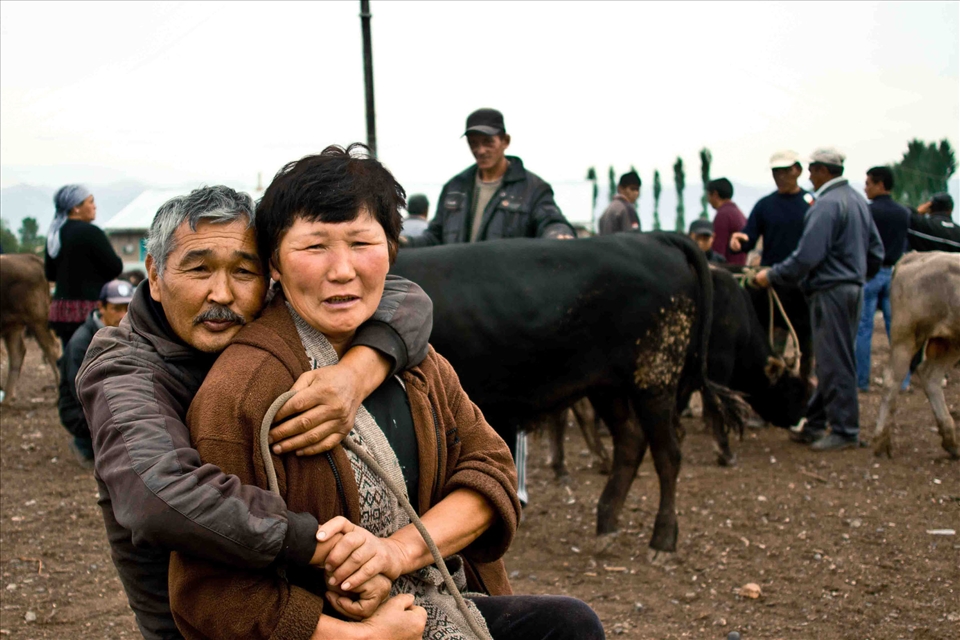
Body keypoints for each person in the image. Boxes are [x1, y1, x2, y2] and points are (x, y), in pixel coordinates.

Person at [169, 144, 605, 640]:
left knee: (571, 625)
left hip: (438, 602)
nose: (342, 270)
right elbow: (208, 593)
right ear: (274, 263)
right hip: (335, 631)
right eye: (314, 247)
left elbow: (491, 471)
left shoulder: (416, 362)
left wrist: (395, 553)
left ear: (392, 250)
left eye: (361, 243)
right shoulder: (242, 391)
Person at [76, 185, 435, 640]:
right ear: (154, 273)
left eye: (243, 271)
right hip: (197, 624)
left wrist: (354, 375)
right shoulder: (124, 367)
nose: (222, 293)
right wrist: (322, 544)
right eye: (199, 268)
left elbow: (407, 298)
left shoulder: (267, 323)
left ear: (271, 276)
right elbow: (159, 494)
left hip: (311, 603)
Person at [755, 148, 884, 451]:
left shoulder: (825, 205)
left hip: (830, 291)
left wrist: (772, 275)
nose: (809, 175)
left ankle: (845, 430)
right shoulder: (857, 202)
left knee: (833, 362)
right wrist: (856, 277)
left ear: (824, 171)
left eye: (812, 169)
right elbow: (877, 252)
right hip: (853, 289)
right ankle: (814, 424)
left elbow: (807, 257)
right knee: (838, 358)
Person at [402, 108, 574, 247]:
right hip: (457, 285)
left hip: (507, 287)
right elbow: (434, 238)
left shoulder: (533, 188)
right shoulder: (454, 187)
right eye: (473, 143)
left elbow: (551, 221)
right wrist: (404, 243)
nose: (480, 150)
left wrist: (558, 234)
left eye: (488, 142)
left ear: (505, 141)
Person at [729, 150, 817, 381]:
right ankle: (772, 394)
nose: (780, 176)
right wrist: (740, 241)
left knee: (809, 347)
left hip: (805, 287)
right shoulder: (765, 205)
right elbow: (750, 234)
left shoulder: (812, 204)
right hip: (772, 286)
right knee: (771, 346)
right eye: (776, 172)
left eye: (785, 171)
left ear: (797, 170)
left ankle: (808, 395)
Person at [58, 279, 134, 468]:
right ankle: (85, 445)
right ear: (101, 307)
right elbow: (80, 392)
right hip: (81, 408)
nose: (123, 315)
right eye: (116, 308)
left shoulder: (127, 333)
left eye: (127, 308)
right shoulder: (82, 343)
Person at [45, 185, 123, 346]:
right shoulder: (92, 232)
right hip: (89, 310)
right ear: (76, 208)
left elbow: (50, 274)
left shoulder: (55, 235)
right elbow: (115, 267)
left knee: (71, 355)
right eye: (90, 202)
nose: (95, 206)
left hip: (62, 312)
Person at [855, 166, 911, 392]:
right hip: (895, 274)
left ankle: (861, 381)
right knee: (898, 331)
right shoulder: (903, 212)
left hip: (870, 273)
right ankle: (903, 381)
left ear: (880, 184)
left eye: (868, 183)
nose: (865, 188)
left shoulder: (867, 212)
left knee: (863, 329)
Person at [706, 178, 746, 265]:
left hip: (728, 270)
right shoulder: (737, 212)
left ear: (715, 194)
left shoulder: (723, 215)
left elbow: (718, 250)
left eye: (708, 195)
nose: (708, 200)